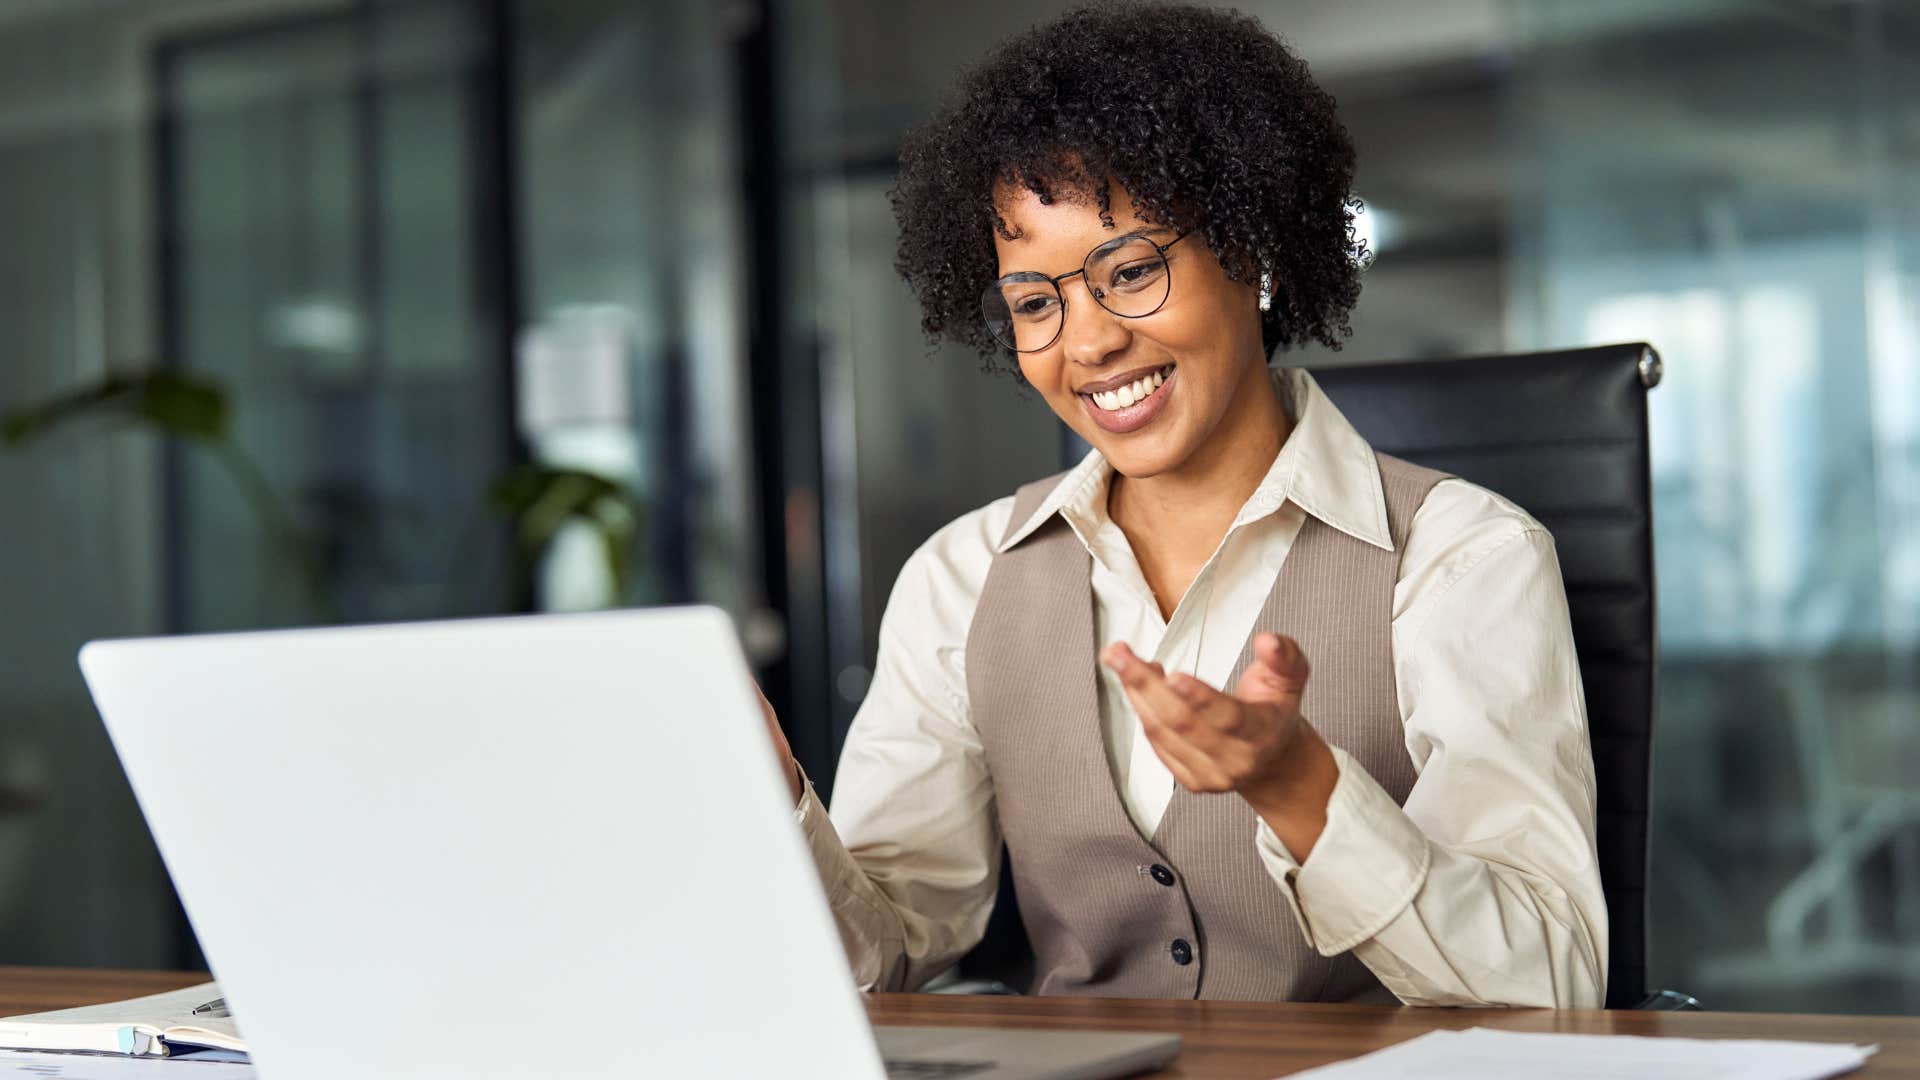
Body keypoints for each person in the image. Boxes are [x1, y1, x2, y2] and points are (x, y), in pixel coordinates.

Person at [757, 2, 1606, 1007]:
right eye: (1037, 302)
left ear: (1255, 254)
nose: (1088, 344)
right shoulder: (964, 577)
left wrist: (1302, 791)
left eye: (1130, 272)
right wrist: (775, 806)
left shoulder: (1464, 556)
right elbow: (887, 954)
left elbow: (1554, 986)